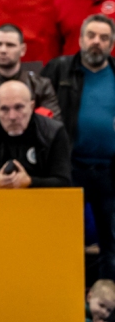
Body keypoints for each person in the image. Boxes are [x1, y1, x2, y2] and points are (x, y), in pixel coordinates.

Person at [47, 14, 115, 281]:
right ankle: (63, 295)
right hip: (69, 168)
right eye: (91, 36)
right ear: (80, 39)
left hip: (110, 171)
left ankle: (109, 300)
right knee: (63, 238)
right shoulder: (58, 69)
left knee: (111, 242)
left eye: (104, 38)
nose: (97, 42)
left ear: (111, 44)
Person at [0, 23, 60, 143]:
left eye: (10, 45)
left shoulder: (41, 86)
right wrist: (3, 134)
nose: (3, 50)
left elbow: (53, 122)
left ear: (22, 50)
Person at [0, 80, 72, 190]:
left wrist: (30, 182)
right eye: (4, 109)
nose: (12, 116)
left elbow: (64, 182)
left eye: (19, 107)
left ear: (31, 106)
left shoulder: (53, 132)